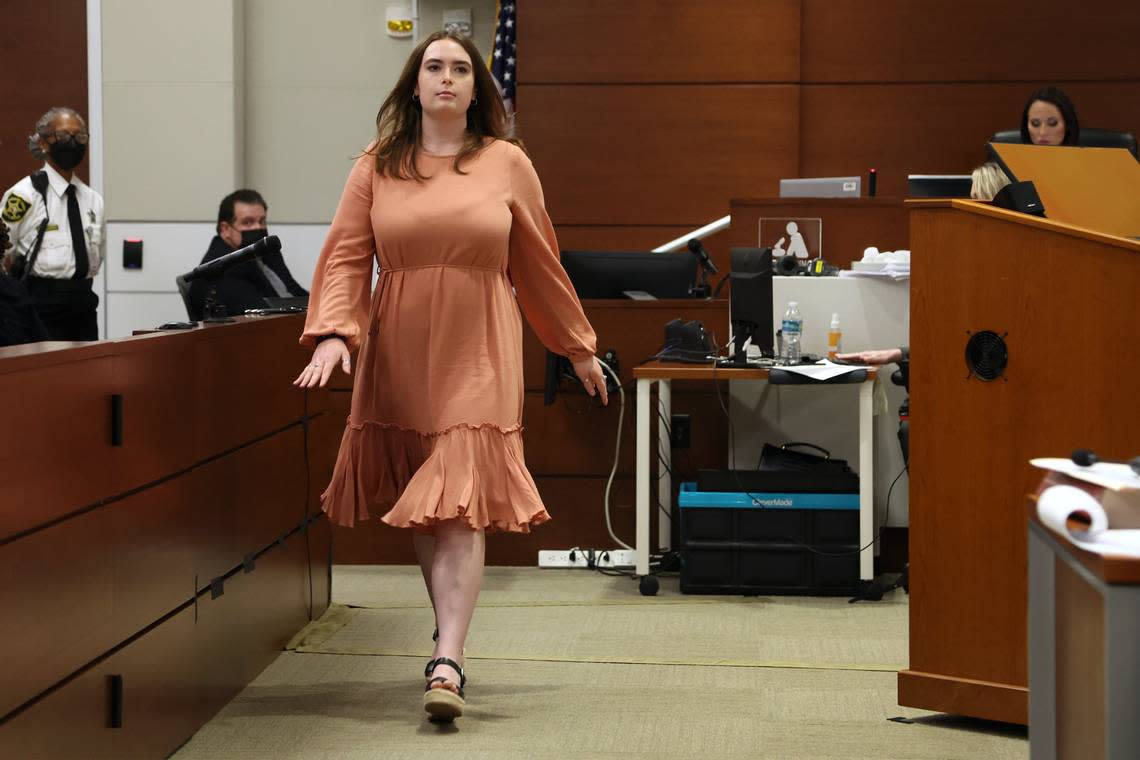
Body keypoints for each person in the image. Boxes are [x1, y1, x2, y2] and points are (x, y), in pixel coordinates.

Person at [293, 31, 607, 722]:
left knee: (460, 497)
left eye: (460, 69)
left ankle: (448, 658)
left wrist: (576, 346)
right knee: (429, 506)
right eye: (433, 66)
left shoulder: (506, 162)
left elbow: (539, 262)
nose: (446, 78)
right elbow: (346, 257)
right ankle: (449, 631)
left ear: (476, 89)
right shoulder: (377, 165)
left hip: (480, 346)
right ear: (415, 84)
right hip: (399, 345)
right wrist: (335, 335)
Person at [1, 107, 105, 340]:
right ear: (44, 143)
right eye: (63, 136)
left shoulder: (93, 200)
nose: (73, 143)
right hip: (39, 307)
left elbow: (97, 258)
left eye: (80, 137)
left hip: (84, 306)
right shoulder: (23, 196)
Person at [196, 189, 307, 317]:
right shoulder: (221, 267)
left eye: (262, 221)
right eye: (248, 222)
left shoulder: (267, 252)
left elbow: (295, 291)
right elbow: (258, 312)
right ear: (225, 229)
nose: (257, 228)